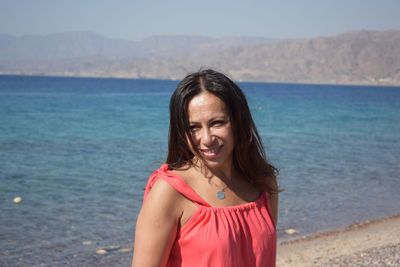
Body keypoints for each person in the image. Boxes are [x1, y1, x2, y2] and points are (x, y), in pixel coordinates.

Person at [132, 69, 279, 267]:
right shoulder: (169, 191)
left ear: (238, 121)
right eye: (193, 128)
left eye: (217, 123)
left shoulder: (263, 182)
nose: (207, 139)